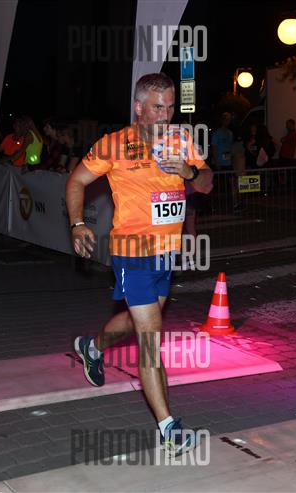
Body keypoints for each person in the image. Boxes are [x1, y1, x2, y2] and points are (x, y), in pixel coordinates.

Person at [65, 72, 213, 456]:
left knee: (137, 322)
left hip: (167, 253)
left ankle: (92, 347)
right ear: (138, 107)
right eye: (158, 107)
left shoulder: (181, 140)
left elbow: (208, 182)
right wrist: (78, 224)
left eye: (170, 107)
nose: (166, 115)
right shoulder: (114, 145)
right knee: (150, 337)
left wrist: (189, 172)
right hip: (133, 253)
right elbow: (76, 181)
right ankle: (169, 428)